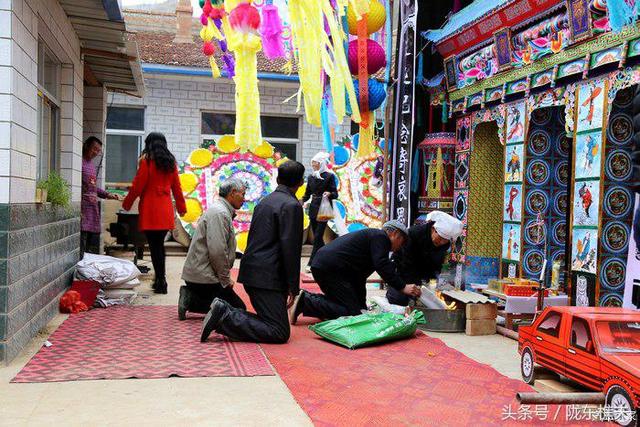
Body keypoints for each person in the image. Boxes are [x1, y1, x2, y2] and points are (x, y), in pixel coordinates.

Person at [200, 161, 305, 344]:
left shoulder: (265, 201)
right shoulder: (291, 205)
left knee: (272, 323)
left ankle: (225, 312)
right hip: (267, 277)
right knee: (278, 331)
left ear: (278, 179)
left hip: (253, 272)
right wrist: (293, 287)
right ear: (301, 182)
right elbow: (290, 250)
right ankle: (226, 315)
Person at [288, 220, 420, 324]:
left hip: (328, 267)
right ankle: (306, 302)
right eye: (402, 242)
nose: (400, 247)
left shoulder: (373, 240)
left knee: (356, 310)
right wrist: (403, 287)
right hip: (331, 268)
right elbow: (382, 265)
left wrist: (361, 305)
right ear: (395, 234)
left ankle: (308, 299)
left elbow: (359, 278)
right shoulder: (381, 237)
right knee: (350, 313)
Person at [123, 132, 186, 294]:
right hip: (165, 210)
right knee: (160, 246)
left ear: (149, 144)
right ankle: (161, 280)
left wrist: (127, 203)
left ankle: (160, 281)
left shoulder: (147, 162)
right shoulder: (170, 163)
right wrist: (181, 208)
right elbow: (177, 188)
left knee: (154, 246)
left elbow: (138, 185)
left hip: (151, 210)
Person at [179, 178, 247, 320]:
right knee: (238, 310)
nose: (244, 199)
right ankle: (190, 299)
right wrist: (225, 280)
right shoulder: (220, 214)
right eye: (243, 194)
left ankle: (193, 296)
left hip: (201, 275)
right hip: (204, 277)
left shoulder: (221, 210)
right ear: (233, 193)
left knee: (229, 306)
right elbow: (217, 251)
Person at [386, 211, 464, 306]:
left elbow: (437, 264)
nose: (441, 242)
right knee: (399, 299)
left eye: (445, 240)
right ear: (433, 229)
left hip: (421, 278)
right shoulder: (414, 234)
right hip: (401, 272)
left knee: (431, 301)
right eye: (440, 238)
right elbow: (405, 262)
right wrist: (414, 285)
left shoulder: (443, 244)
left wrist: (432, 281)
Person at [81, 136, 121, 257]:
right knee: (82, 241)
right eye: (94, 149)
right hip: (83, 210)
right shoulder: (79, 162)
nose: (96, 153)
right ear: (86, 146)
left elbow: (93, 188)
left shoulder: (91, 165)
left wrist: (108, 195)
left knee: (89, 243)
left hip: (92, 209)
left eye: (98, 151)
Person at [302, 152, 338, 270]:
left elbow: (335, 194)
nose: (313, 165)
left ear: (321, 163)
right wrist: (301, 200)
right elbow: (307, 194)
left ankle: (311, 263)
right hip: (313, 208)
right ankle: (326, 258)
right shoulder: (311, 177)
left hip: (324, 207)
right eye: (312, 163)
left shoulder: (329, 176)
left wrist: (329, 193)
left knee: (317, 236)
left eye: (315, 163)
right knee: (318, 237)